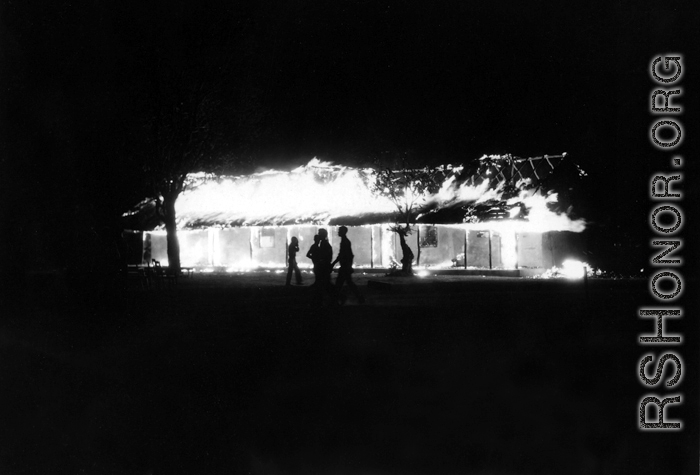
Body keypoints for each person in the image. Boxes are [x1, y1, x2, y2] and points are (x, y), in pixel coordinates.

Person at [331, 226, 365, 304]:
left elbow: (342, 254)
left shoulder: (344, 242)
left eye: (339, 231)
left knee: (340, 284)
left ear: (343, 232)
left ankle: (337, 299)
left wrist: (333, 263)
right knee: (348, 283)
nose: (338, 232)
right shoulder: (345, 241)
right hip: (346, 266)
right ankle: (359, 297)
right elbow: (349, 255)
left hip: (344, 267)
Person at [314, 228, 335, 303]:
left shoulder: (324, 244)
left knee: (325, 284)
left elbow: (325, 256)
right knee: (326, 283)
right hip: (325, 266)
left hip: (324, 267)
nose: (318, 235)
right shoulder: (324, 243)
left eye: (319, 234)